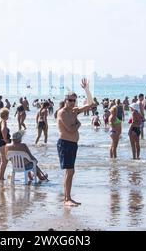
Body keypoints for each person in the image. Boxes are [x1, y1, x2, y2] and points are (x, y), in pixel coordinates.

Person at [56, 78, 94, 206]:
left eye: (74, 100)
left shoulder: (74, 111)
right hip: (65, 144)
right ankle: (67, 199)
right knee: (70, 171)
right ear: (65, 100)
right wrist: (79, 123)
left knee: (70, 171)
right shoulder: (62, 113)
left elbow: (91, 104)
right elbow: (70, 129)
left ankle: (67, 197)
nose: (72, 102)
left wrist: (86, 89)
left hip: (73, 144)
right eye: (70, 100)